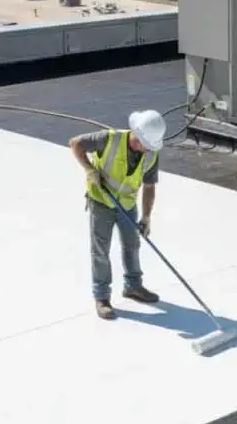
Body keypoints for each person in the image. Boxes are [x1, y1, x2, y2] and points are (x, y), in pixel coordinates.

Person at [69, 109, 166, 320]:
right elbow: (75, 143)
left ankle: (133, 287)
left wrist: (147, 217)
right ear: (136, 135)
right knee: (100, 251)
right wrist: (89, 169)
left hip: (128, 205)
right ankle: (102, 297)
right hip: (101, 201)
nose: (147, 149)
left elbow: (149, 186)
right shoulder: (110, 139)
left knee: (132, 245)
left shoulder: (151, 153)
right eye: (145, 144)